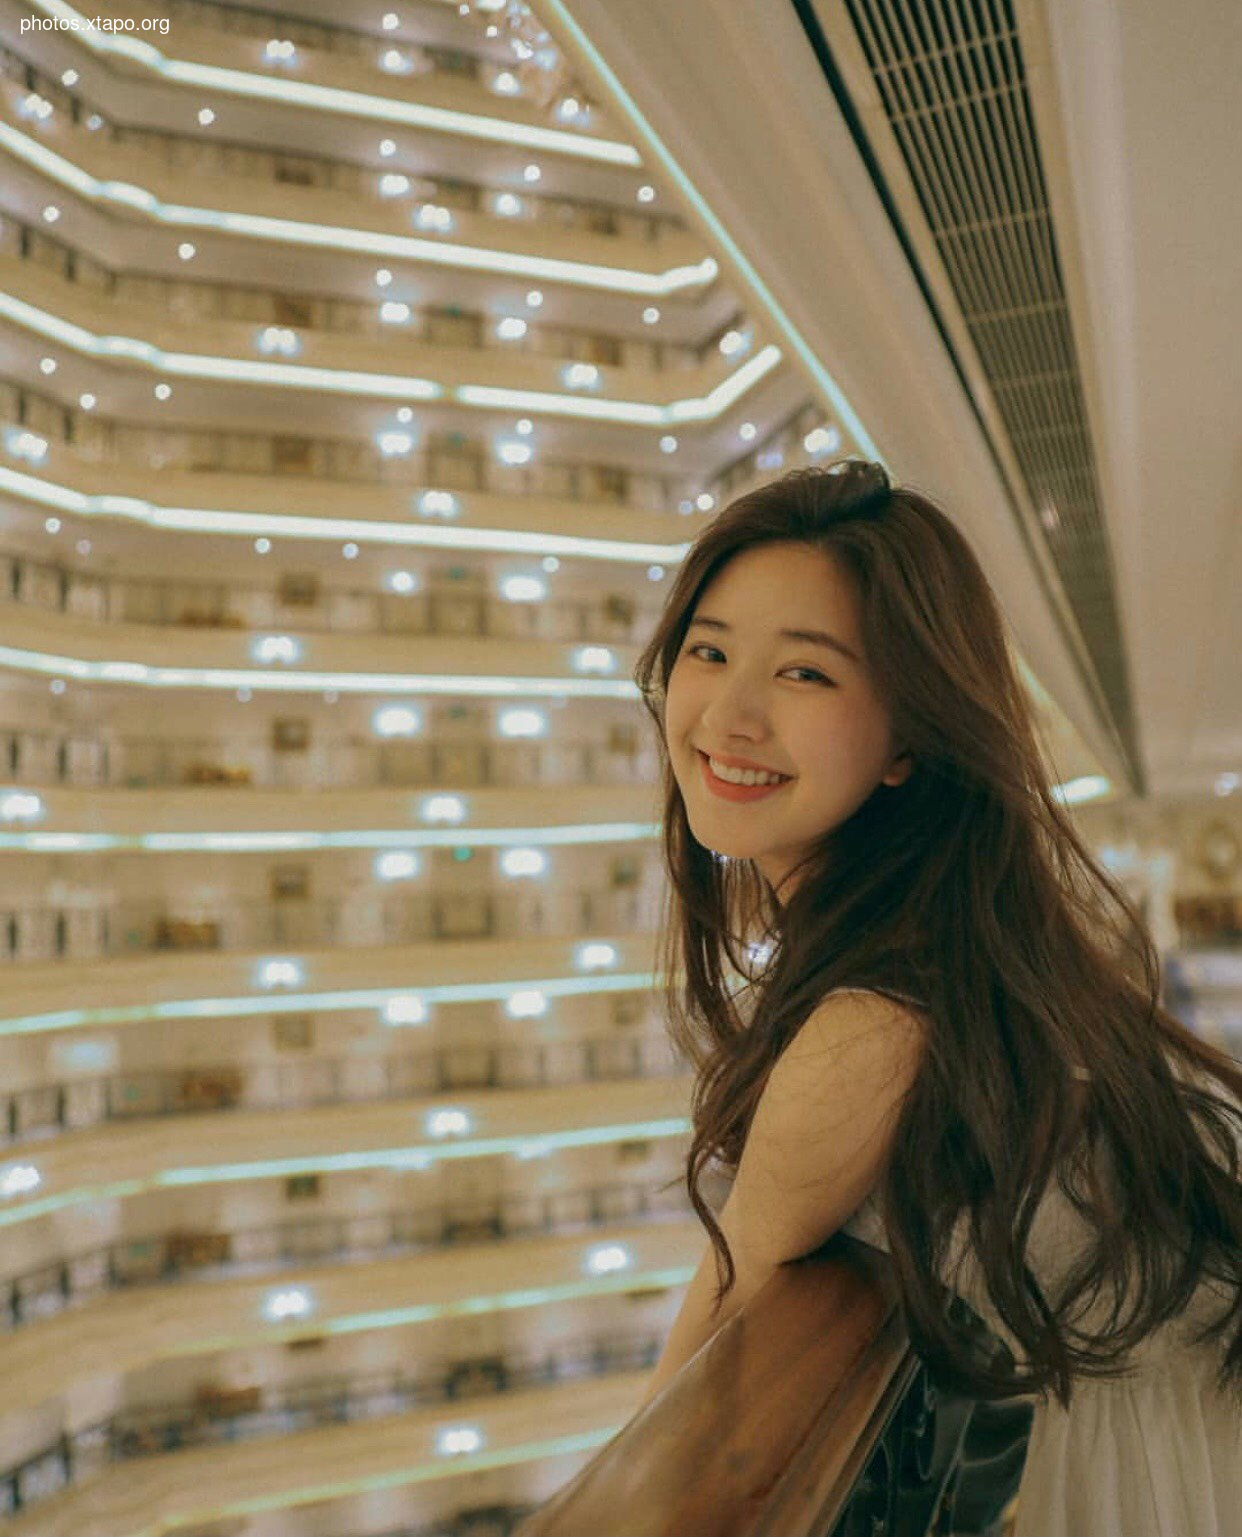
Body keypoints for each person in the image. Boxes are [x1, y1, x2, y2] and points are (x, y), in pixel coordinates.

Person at [629, 460, 1242, 1536]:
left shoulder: (874, 1014)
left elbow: (720, 1316)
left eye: (805, 675)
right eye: (709, 650)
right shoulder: (953, 935)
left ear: (910, 736)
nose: (727, 713)